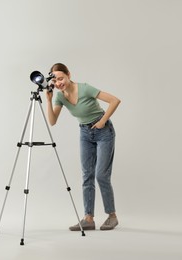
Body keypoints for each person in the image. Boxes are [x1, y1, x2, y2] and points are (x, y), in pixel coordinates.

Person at [46, 63, 121, 231]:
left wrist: (102, 121)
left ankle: (112, 216)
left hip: (104, 132)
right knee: (87, 175)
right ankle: (88, 218)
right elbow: (52, 121)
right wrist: (49, 100)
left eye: (61, 78)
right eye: (55, 80)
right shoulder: (59, 97)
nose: (59, 83)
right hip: (85, 134)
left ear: (68, 75)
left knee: (101, 175)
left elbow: (114, 100)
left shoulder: (85, 89)